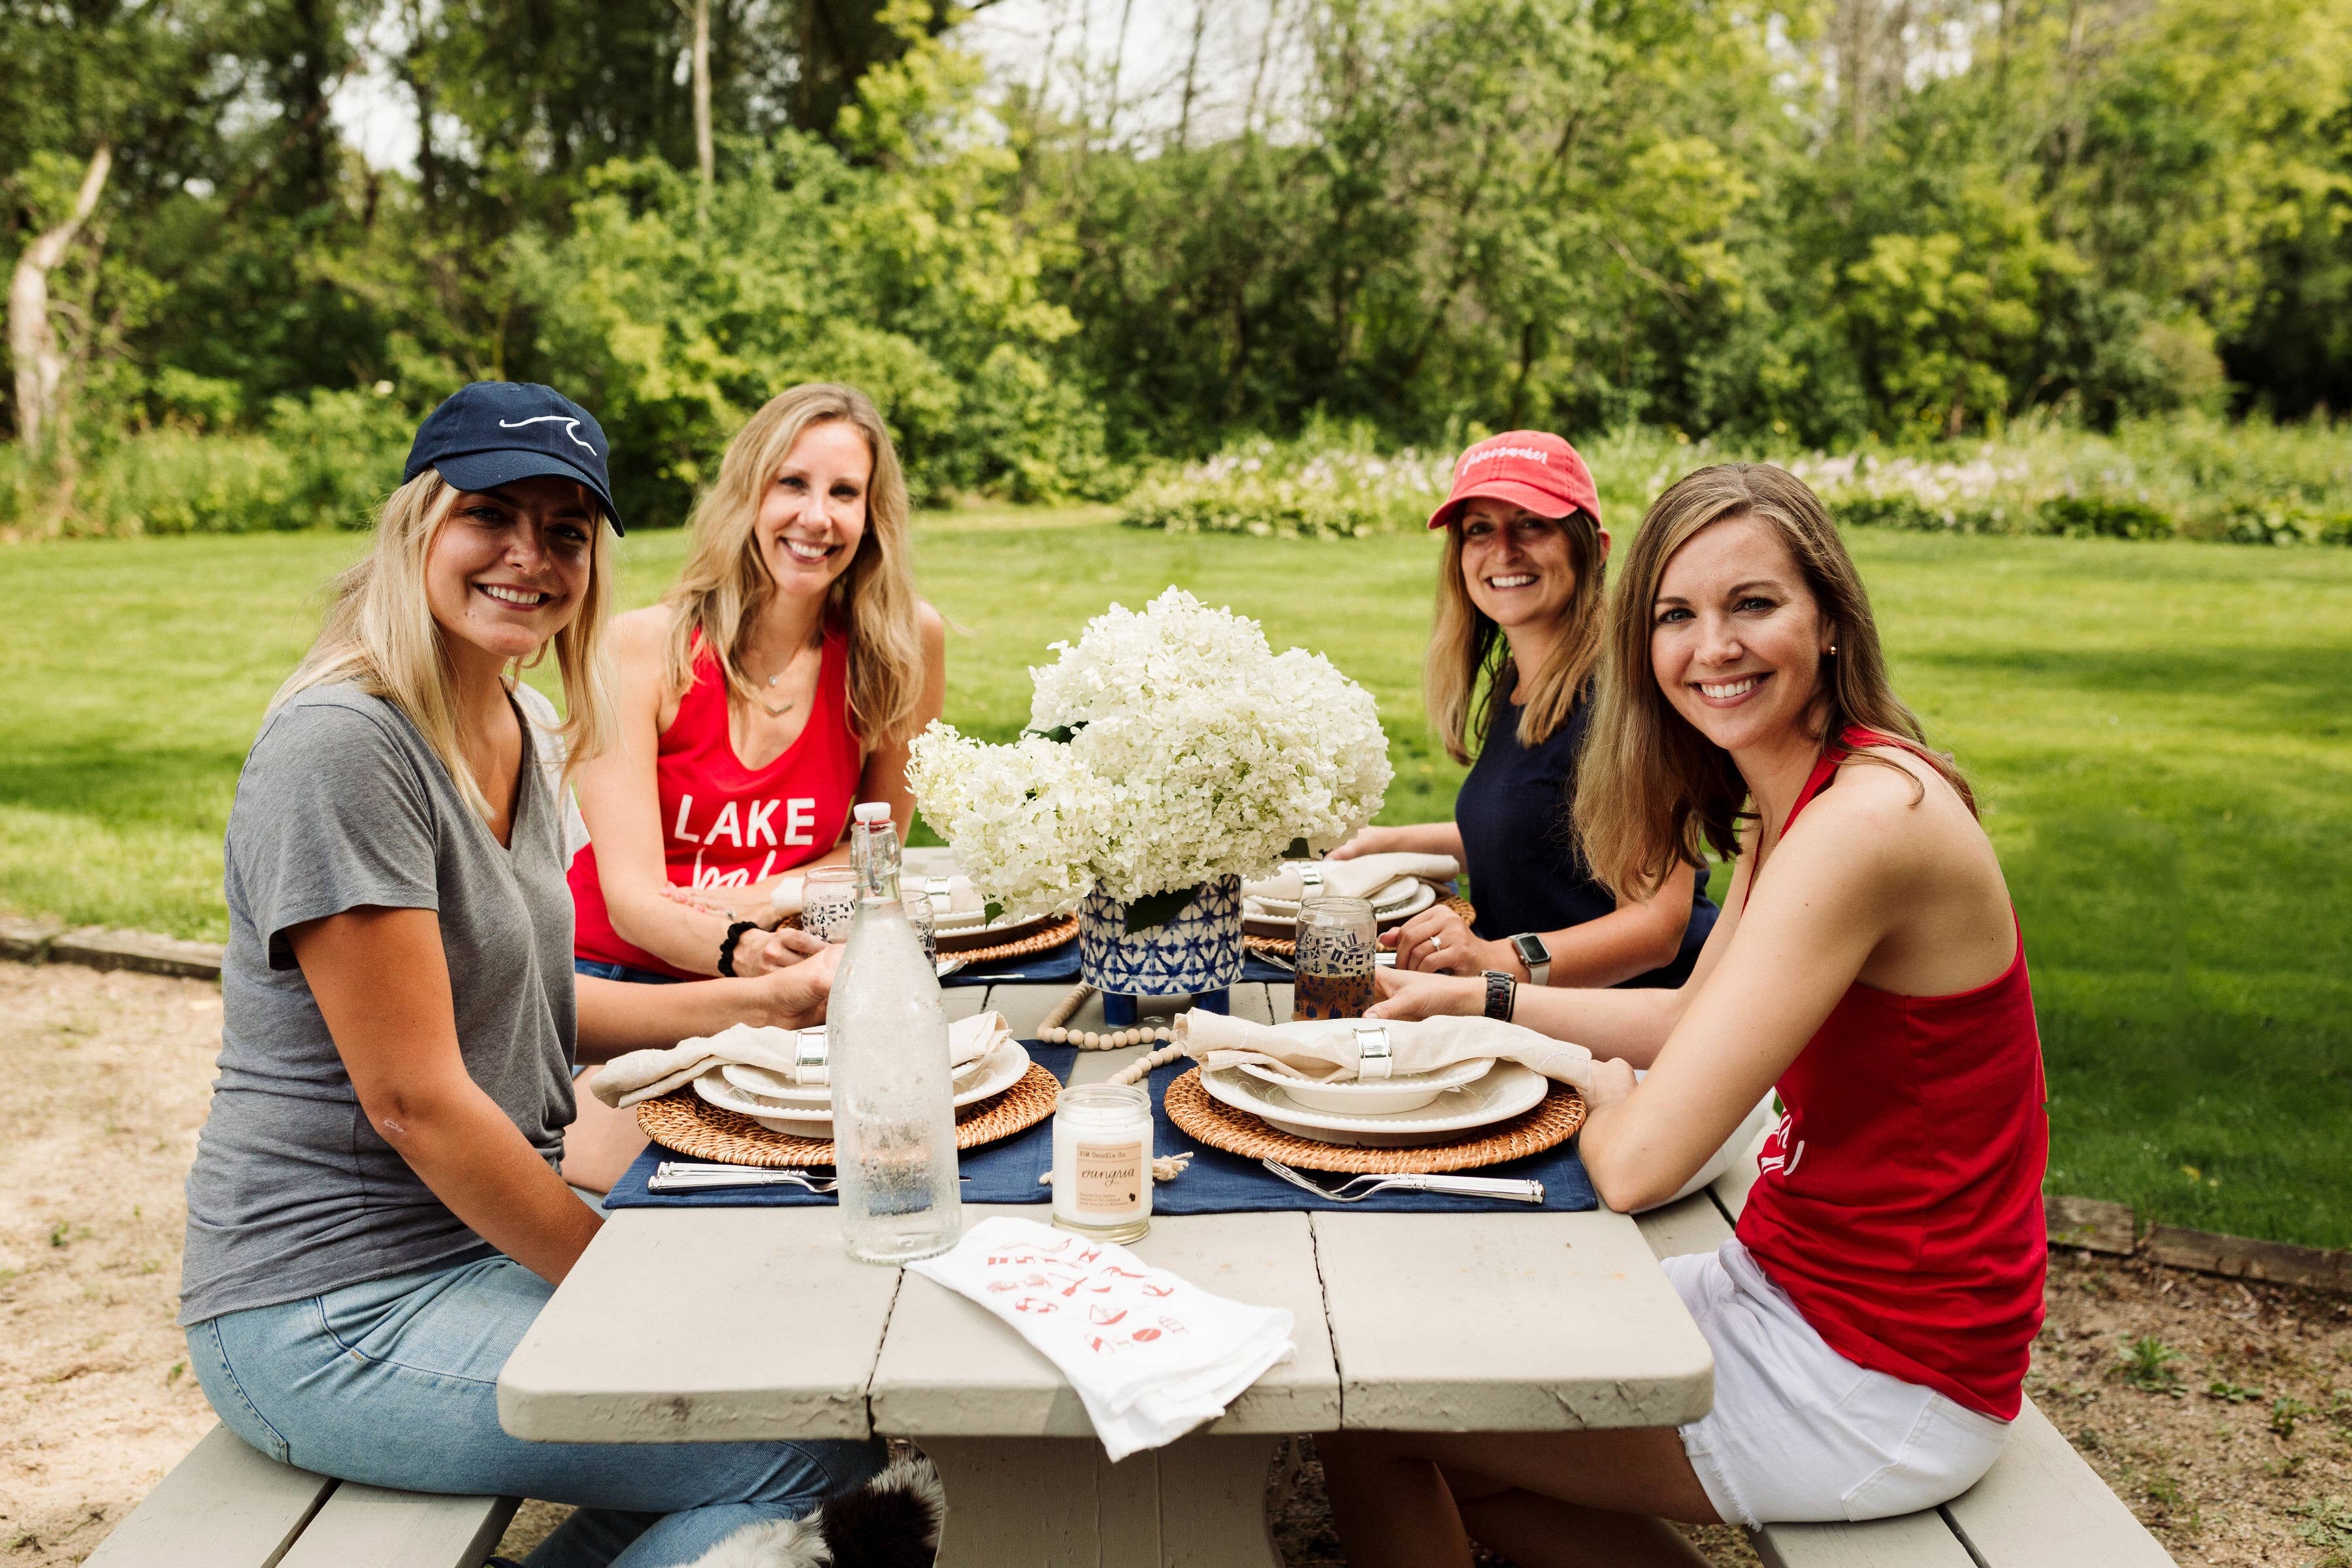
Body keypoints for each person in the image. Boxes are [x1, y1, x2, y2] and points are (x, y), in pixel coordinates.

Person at [179, 383, 883, 1568]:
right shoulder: (344, 747)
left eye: (565, 530)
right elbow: (416, 1100)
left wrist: (759, 1002)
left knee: (819, 1357)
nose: (529, 556)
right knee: (803, 1446)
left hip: (465, 1247)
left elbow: (526, 1005)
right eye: (490, 514)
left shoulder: (509, 723)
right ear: (417, 525)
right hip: (330, 1311)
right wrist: (616, 1287)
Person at [1324, 463, 2048, 1568]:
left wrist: (1607, 1097)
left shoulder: (1869, 823)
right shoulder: (1792, 805)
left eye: (1753, 604)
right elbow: (1688, 1022)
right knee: (1421, 1373)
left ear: (1832, 624)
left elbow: (1635, 1168)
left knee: (1373, 1419)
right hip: (1796, 1278)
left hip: (1885, 1366)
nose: (1714, 647)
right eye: (1677, 615)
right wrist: (1470, 1004)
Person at [561, 383, 946, 1191]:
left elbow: (878, 850)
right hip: (617, 983)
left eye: (845, 493)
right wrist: (761, 934)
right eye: (792, 484)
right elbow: (634, 898)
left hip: (787, 969)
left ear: (873, 517)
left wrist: (772, 905)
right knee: (644, 1192)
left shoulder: (901, 643)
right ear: (748, 493)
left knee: (888, 1162)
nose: (817, 517)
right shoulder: (640, 649)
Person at [1331, 431, 1714, 990]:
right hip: (1544, 1015)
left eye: (1532, 523)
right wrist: (1385, 842)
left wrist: (1499, 959)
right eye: (1479, 529)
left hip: (1641, 1034)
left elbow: (1656, 927)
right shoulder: (1520, 681)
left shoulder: (1626, 701)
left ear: (1596, 547)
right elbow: (1537, 833)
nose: (1504, 549)